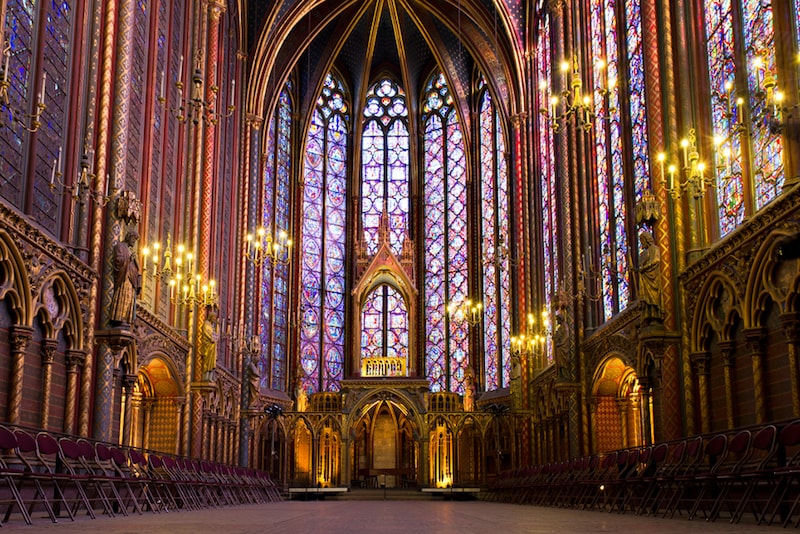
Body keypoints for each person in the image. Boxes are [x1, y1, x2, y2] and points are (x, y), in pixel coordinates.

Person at [109, 230, 141, 327]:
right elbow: (118, 260)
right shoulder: (120, 246)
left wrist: (136, 262)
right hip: (124, 278)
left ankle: (126, 318)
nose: (134, 242)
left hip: (131, 278)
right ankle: (119, 318)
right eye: (133, 239)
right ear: (129, 237)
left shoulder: (130, 250)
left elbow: (136, 268)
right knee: (123, 296)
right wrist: (129, 259)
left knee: (129, 299)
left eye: (135, 241)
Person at [638, 230, 664, 323]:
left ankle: (655, 316)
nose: (642, 244)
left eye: (642, 241)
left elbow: (656, 260)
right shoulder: (644, 253)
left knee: (653, 297)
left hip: (653, 277)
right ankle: (648, 317)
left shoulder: (654, 249)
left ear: (647, 240)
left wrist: (645, 268)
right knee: (646, 298)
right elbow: (641, 263)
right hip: (646, 278)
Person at [200, 305, 219, 381]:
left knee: (211, 363)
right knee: (207, 362)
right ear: (211, 317)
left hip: (212, 347)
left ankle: (210, 377)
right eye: (214, 318)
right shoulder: (206, 324)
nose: (214, 319)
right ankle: (205, 377)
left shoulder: (212, 326)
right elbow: (206, 332)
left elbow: (215, 334)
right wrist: (212, 338)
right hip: (208, 346)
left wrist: (217, 328)